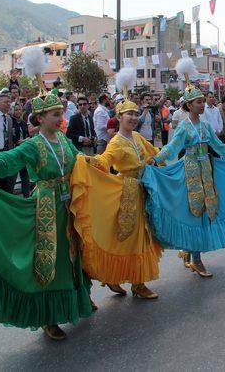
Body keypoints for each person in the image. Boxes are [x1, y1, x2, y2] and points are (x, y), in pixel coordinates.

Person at [0, 91, 93, 341]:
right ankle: (47, 316)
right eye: (55, 115)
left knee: (71, 253)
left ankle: (78, 298)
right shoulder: (33, 145)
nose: (60, 119)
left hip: (69, 206)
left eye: (61, 114)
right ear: (40, 118)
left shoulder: (63, 140)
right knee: (48, 260)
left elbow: (78, 159)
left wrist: (98, 163)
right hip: (46, 207)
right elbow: (6, 159)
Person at [142, 59, 225, 278]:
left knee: (206, 209)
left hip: (206, 170)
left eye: (201, 101)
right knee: (193, 211)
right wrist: (155, 159)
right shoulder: (184, 127)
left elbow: (220, 147)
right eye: (198, 102)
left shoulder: (205, 126)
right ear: (189, 105)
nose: (201, 104)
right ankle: (195, 257)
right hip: (189, 171)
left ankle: (191, 253)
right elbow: (172, 147)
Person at [71, 85, 162, 299]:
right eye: (129, 114)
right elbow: (104, 161)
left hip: (144, 190)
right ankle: (115, 277)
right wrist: (86, 160)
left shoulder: (138, 137)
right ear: (119, 117)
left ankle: (137, 283)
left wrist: (173, 157)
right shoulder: (116, 142)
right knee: (125, 236)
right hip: (126, 192)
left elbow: (155, 154)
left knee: (143, 235)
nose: (133, 117)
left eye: (135, 113)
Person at [9, 102, 31, 197]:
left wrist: (26, 140)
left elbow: (28, 135)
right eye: (16, 110)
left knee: (25, 176)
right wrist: (24, 141)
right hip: (14, 152)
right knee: (12, 178)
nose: (18, 112)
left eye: (19, 110)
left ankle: (27, 198)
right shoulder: (10, 122)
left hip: (24, 152)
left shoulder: (23, 122)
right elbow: (14, 140)